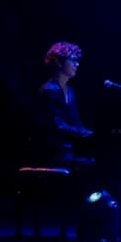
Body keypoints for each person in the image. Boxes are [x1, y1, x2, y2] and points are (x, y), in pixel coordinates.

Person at [31, 41, 95, 170]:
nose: (77, 64)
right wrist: (84, 133)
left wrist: (90, 135)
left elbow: (76, 122)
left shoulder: (70, 91)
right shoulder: (49, 90)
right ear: (59, 62)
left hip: (69, 152)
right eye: (72, 60)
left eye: (77, 60)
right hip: (52, 154)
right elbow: (57, 125)